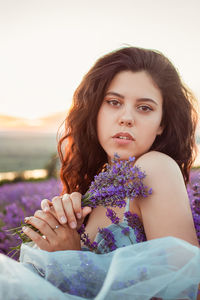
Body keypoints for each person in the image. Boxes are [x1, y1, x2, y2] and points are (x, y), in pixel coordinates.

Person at [0, 46, 200, 299]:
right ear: (95, 111)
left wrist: (70, 262)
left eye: (145, 108)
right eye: (113, 102)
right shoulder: (93, 191)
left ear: (162, 124)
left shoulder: (155, 167)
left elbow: (184, 291)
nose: (126, 117)